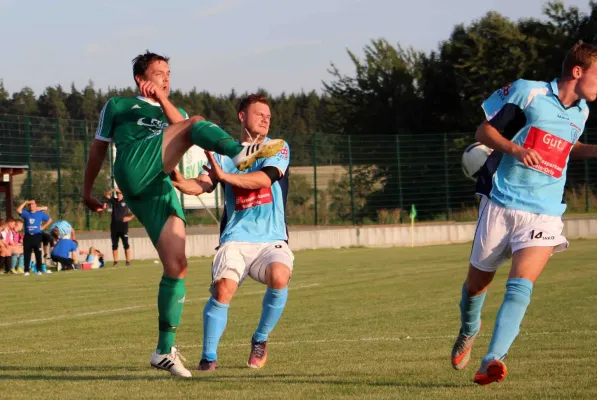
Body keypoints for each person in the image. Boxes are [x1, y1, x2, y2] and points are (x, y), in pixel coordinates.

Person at [82, 51, 285, 378]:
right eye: (159, 72)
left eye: (169, 72)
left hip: (157, 186)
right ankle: (241, 153)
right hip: (133, 167)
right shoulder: (119, 105)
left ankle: (164, 350)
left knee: (177, 266)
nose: (166, 77)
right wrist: (86, 191)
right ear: (140, 78)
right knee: (194, 124)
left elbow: (181, 126)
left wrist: (162, 98)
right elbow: (98, 148)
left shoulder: (173, 110)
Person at [450, 41, 597, 386]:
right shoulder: (527, 92)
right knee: (476, 286)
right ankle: (469, 330)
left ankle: (492, 360)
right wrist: (516, 149)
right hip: (502, 203)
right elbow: (484, 131)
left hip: (544, 212)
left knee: (520, 287)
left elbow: (566, 147)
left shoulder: (582, 112)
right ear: (577, 72)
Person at [171, 94, 293, 371]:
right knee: (223, 290)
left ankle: (260, 339)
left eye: (268, 115)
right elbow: (201, 185)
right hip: (235, 239)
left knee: (280, 276)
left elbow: (264, 178)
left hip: (271, 240)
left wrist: (224, 177)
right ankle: (209, 358)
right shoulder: (225, 155)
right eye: (259, 113)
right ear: (242, 116)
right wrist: (178, 180)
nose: (265, 118)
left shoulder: (277, 147)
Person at [16, 200, 52, 276]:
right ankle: (26, 271)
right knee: (27, 254)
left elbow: (49, 220)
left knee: (38, 253)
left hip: (37, 235)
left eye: (33, 204)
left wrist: (42, 227)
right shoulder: (26, 213)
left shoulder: (40, 214)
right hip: (28, 235)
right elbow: (18, 210)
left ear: (36, 205)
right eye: (30, 205)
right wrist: (25, 202)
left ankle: (39, 270)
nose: (31, 206)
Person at [103, 188, 134, 266]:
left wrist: (130, 217)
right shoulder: (114, 201)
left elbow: (137, 209)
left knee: (126, 243)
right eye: (118, 194)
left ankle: (128, 261)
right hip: (114, 226)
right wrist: (113, 189)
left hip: (123, 226)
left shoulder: (127, 201)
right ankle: (116, 262)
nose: (119, 195)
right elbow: (106, 194)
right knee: (114, 244)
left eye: (120, 194)